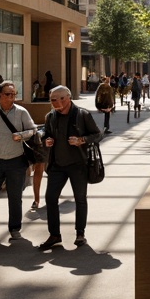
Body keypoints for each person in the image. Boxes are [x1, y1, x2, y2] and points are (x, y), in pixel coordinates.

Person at [38, 85, 102, 250]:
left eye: (61, 98)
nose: (57, 102)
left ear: (69, 98)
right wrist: (46, 141)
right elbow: (45, 134)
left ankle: (80, 233)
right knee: (51, 198)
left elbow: (97, 134)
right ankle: (54, 235)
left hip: (78, 164)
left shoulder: (82, 114)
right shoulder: (50, 116)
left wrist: (81, 140)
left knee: (80, 199)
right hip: (57, 165)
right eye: (53, 99)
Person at [0, 81, 38, 245]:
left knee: (15, 197)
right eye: (7, 94)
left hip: (16, 161)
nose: (11, 98)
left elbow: (34, 131)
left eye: (13, 94)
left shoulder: (21, 112)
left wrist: (21, 135)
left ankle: (15, 229)